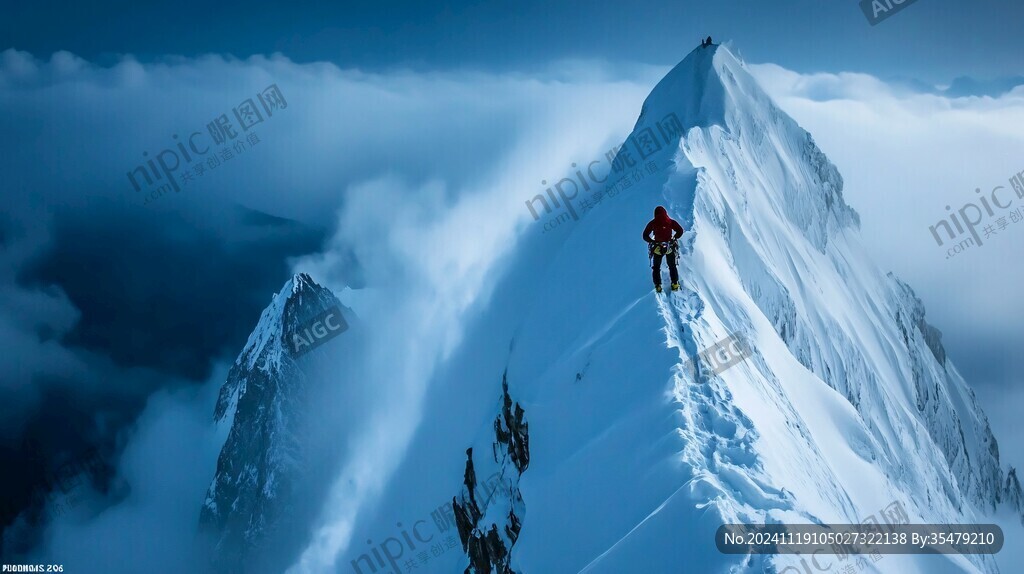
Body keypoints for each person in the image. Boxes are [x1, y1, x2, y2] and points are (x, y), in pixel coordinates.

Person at [642, 206, 685, 292]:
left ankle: (658, 286)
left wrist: (652, 241)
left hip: (657, 247)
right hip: (669, 246)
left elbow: (645, 235)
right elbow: (680, 230)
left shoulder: (653, 223)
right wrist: (674, 238)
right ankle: (675, 284)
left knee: (656, 267)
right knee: (672, 266)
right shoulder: (670, 221)